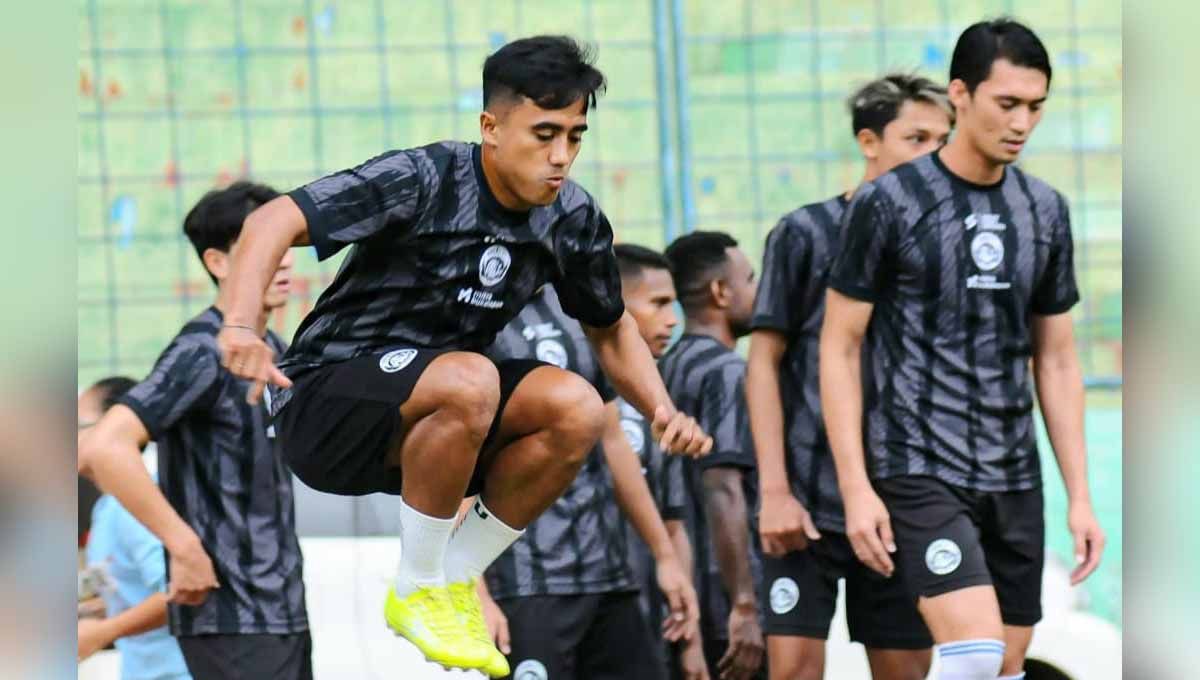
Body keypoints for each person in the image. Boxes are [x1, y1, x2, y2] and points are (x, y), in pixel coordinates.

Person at [212, 35, 711, 675]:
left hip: (442, 424)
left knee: (578, 407)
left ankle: (450, 579)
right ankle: (416, 584)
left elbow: (611, 329)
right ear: (491, 127)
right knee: (470, 376)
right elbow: (271, 221)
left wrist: (662, 408)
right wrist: (242, 326)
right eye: (544, 134)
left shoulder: (572, 217)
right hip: (325, 405)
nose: (561, 157)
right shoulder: (423, 178)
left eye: (576, 137)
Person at [819, 19, 1106, 680]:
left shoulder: (1045, 210)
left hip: (1013, 472)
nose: (1022, 121)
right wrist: (856, 486)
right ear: (960, 96)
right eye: (1007, 103)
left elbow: (1057, 359)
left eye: (1035, 106)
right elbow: (839, 347)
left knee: (1005, 663)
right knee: (973, 657)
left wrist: (1080, 496)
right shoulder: (891, 202)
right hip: (918, 464)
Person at [745, 73, 954, 680]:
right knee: (794, 673)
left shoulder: (942, 249)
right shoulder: (805, 233)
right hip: (807, 501)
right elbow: (763, 362)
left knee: (907, 671)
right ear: (869, 141)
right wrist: (775, 490)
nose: (932, 156)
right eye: (916, 138)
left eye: (943, 141)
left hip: (902, 498)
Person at [78, 182, 311, 680]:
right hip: (228, 616)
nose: (286, 262)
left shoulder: (273, 346)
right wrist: (182, 547)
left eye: (287, 248)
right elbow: (102, 446)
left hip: (281, 610)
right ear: (219, 263)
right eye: (264, 249)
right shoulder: (203, 350)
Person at [475, 283, 699, 680]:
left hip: (611, 575)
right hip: (525, 582)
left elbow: (612, 441)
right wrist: (473, 591)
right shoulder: (473, 314)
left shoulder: (578, 303)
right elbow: (456, 459)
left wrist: (664, 556)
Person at [661, 232, 765, 680]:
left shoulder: (662, 366)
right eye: (750, 278)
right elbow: (723, 488)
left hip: (682, 597)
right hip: (728, 596)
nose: (759, 291)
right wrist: (744, 604)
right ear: (721, 292)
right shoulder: (727, 372)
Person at [613, 244, 707, 680]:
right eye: (658, 304)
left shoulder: (661, 405)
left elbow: (673, 520)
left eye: (674, 304)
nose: (673, 320)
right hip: (562, 600)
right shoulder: (563, 389)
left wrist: (693, 639)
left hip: (649, 615)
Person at [78, 377, 192, 680]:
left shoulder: (135, 507)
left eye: (78, 423)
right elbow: (130, 591)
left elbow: (182, 593)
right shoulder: (108, 508)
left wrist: (102, 633)